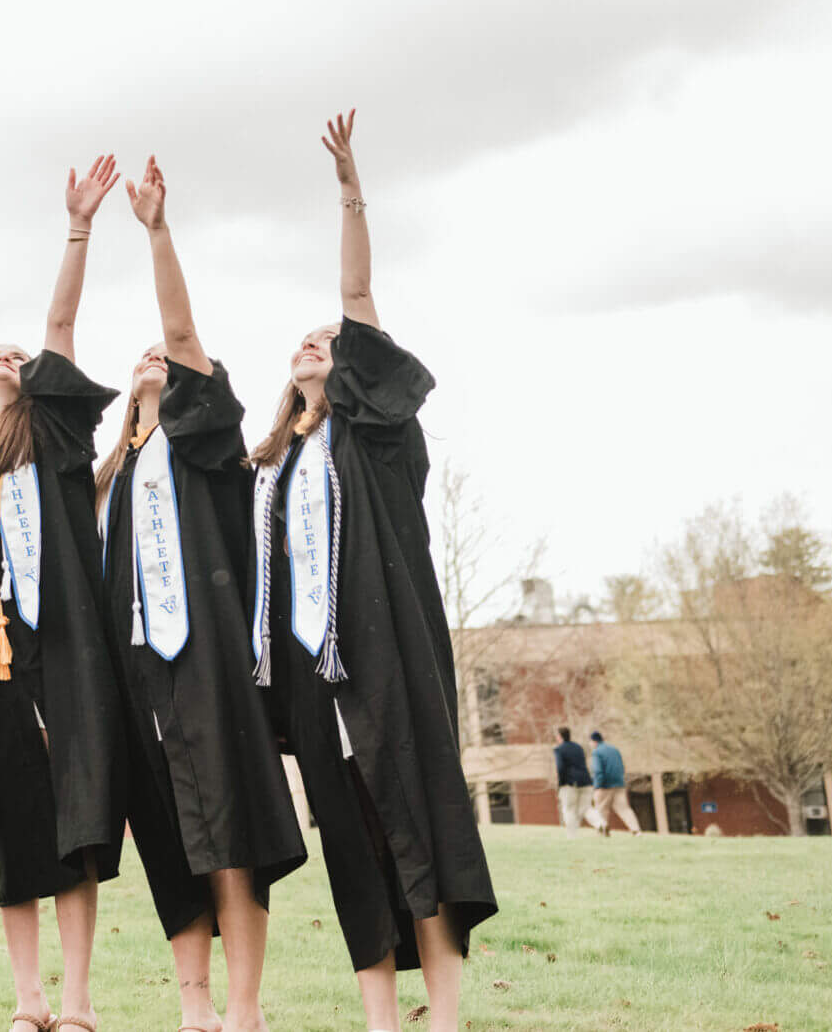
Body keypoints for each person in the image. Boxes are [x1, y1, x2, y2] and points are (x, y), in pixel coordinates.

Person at [249, 114, 495, 1032]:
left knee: (419, 822)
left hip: (387, 657)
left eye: (332, 339)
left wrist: (351, 190)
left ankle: (449, 1011)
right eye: (305, 339)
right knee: (352, 843)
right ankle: (383, 1016)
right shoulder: (269, 464)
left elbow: (355, 291)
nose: (317, 341)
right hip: (315, 675)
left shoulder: (375, 436)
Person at [94, 159, 306, 1032]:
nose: (155, 355)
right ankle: (195, 1009)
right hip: (134, 670)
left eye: (168, 357)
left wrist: (156, 233)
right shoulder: (109, 478)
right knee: (167, 836)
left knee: (231, 836)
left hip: (204, 662)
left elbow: (184, 335)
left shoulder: (205, 451)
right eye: (139, 351)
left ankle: (245, 1009)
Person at [0, 161, 124, 1032]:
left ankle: (76, 1002)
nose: (7, 358)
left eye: (17, 356)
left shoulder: (49, 434)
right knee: (12, 831)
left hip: (58, 651)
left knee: (74, 825)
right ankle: (29, 1000)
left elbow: (59, 325)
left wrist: (77, 229)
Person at [586, 733, 637, 836]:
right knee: (624, 808)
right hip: (619, 783)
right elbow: (622, 767)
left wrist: (597, 786)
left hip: (604, 785)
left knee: (601, 809)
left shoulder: (597, 752)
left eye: (590, 742)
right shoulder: (614, 750)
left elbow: (598, 771)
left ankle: (603, 832)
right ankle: (636, 830)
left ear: (594, 741)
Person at [552, 729, 590, 835]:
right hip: (585, 781)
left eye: (557, 736)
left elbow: (560, 768)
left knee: (568, 809)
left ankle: (572, 834)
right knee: (585, 808)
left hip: (569, 783)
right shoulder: (578, 747)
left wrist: (560, 784)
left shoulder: (559, 749)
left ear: (560, 736)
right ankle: (600, 824)